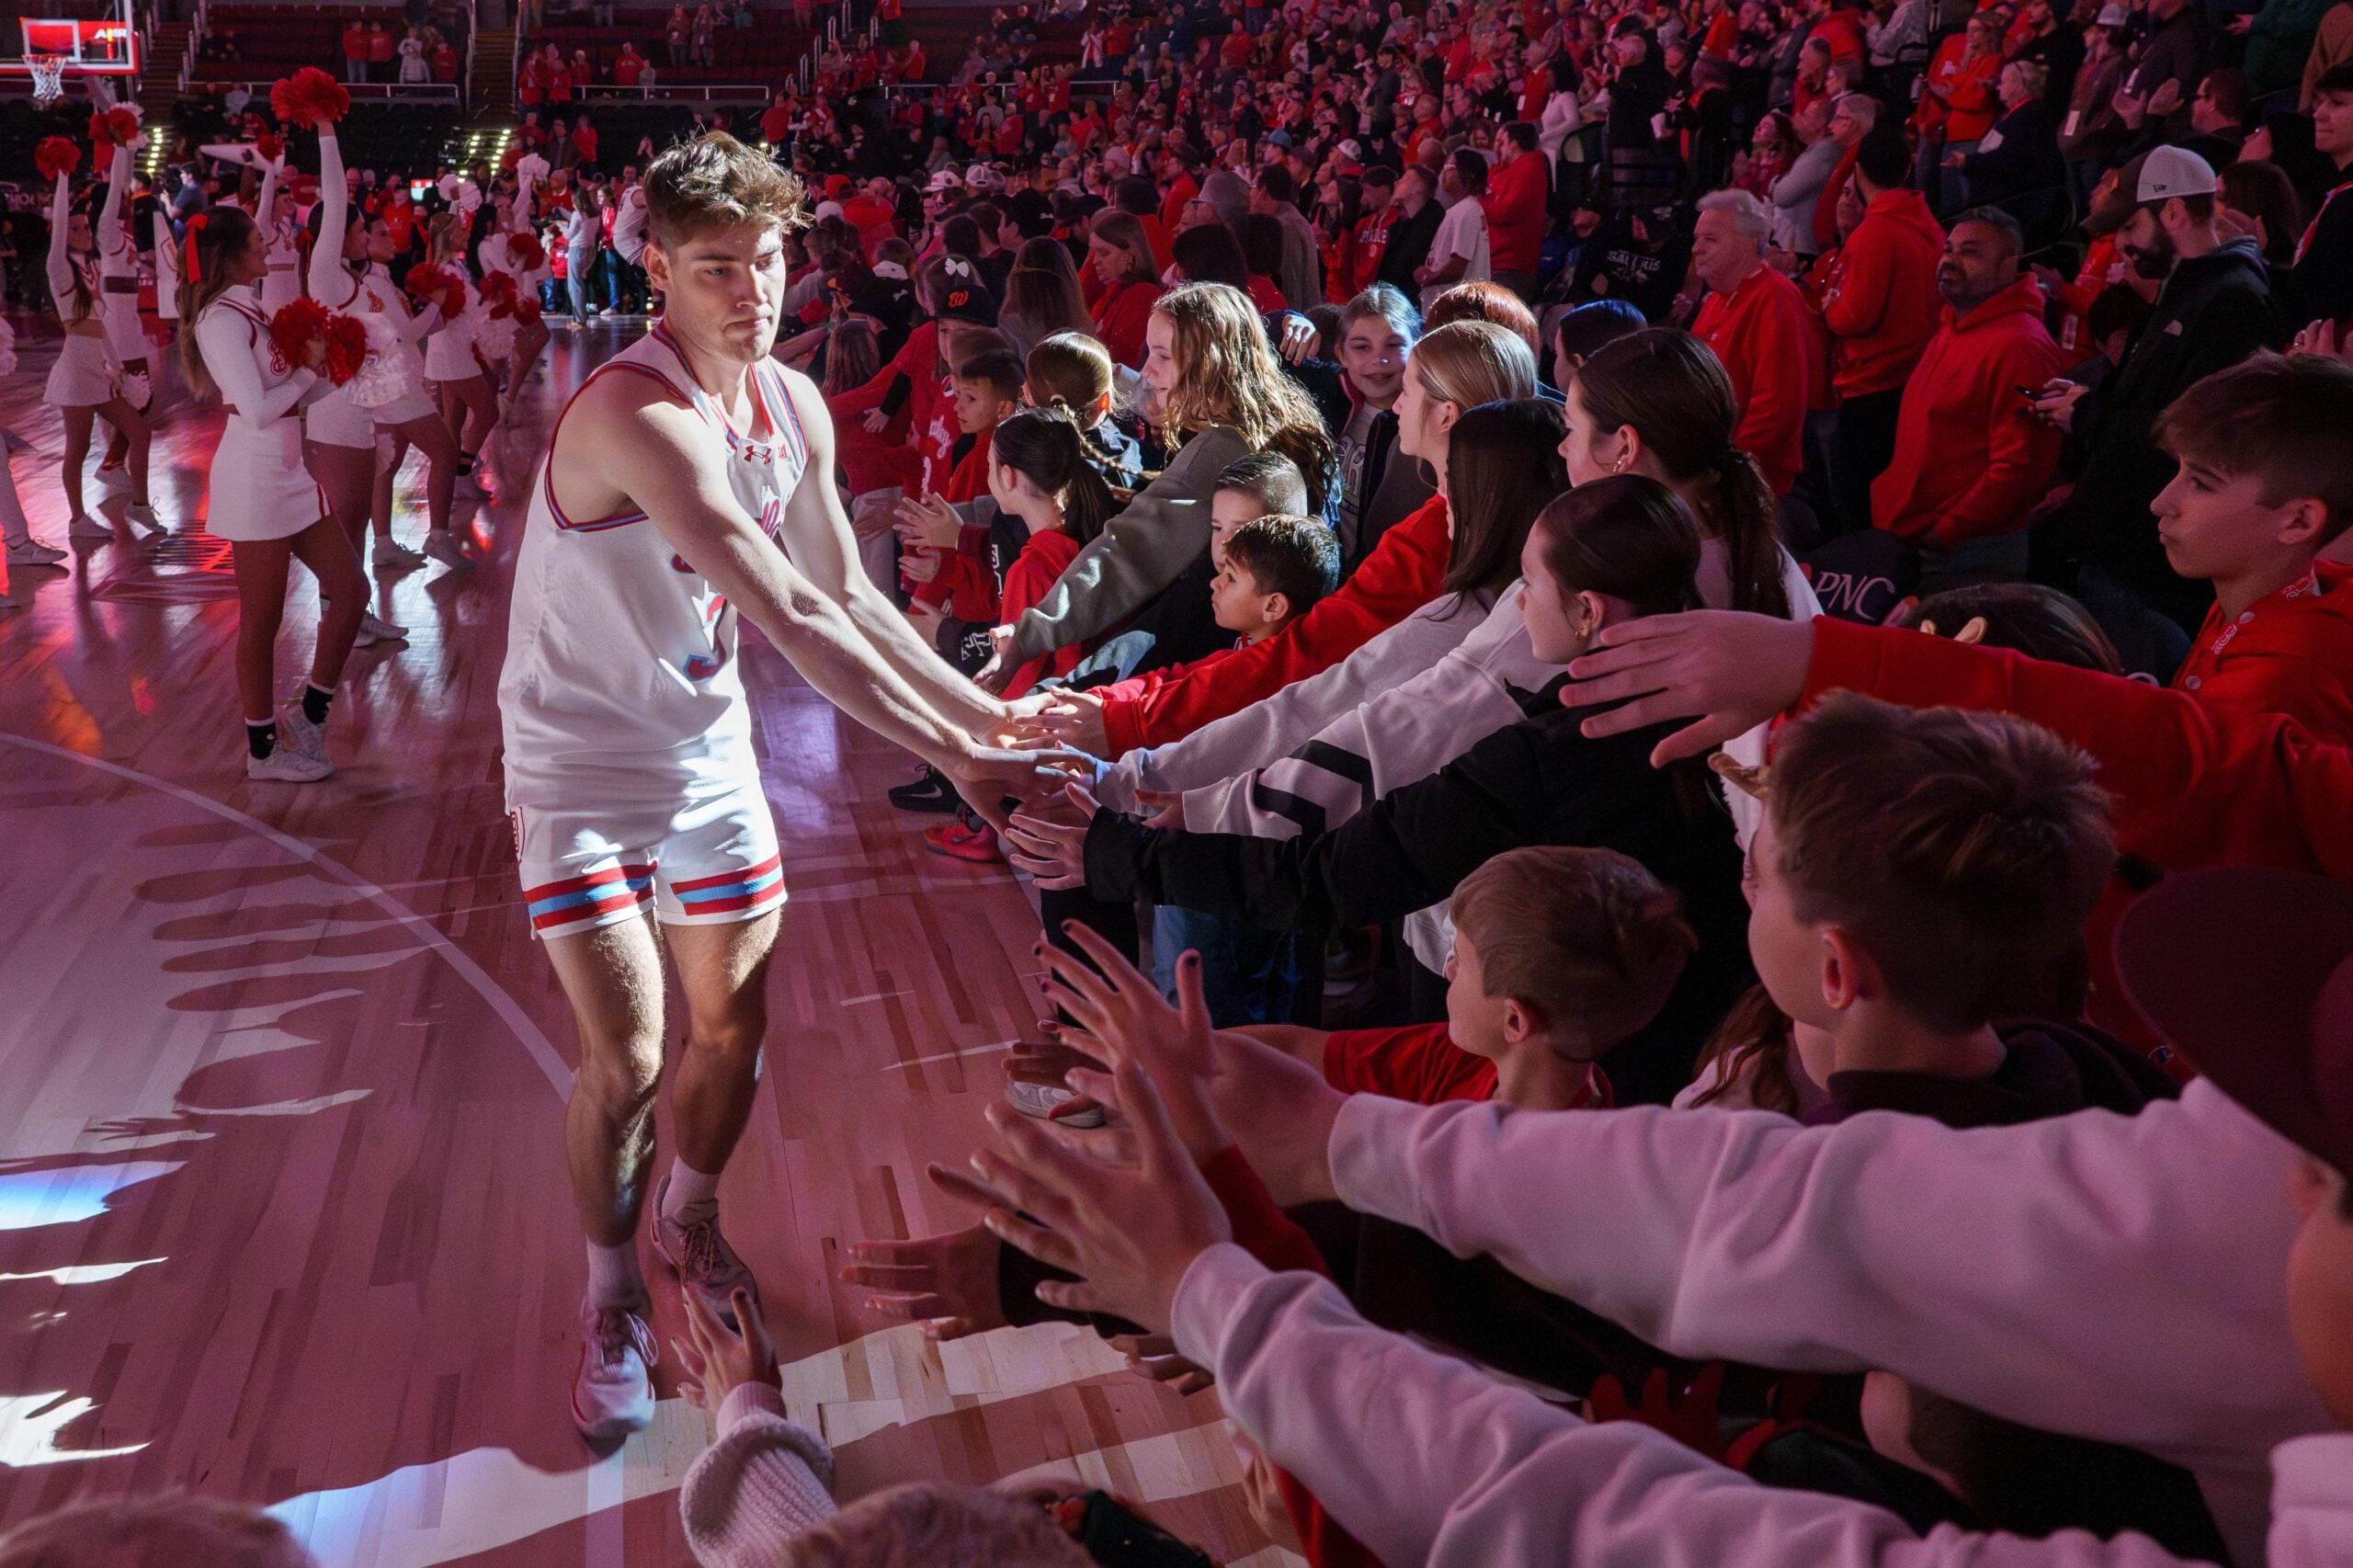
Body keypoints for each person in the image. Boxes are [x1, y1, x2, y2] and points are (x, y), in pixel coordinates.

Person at [494, 133, 1052, 1443]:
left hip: (700, 749)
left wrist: (986, 711)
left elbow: (850, 587)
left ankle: (693, 1212)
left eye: (767, 261)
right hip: (576, 763)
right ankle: (612, 1288)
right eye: (715, 269)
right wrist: (967, 755)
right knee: (626, 1057)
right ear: (656, 273)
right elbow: (792, 611)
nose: (750, 291)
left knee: (732, 1029)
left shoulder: (790, 405)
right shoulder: (634, 411)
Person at [981, 282, 1332, 686]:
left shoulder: (1221, 446)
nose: (1146, 370)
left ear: (1209, 363)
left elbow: (1130, 550)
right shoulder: (1275, 419)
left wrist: (1030, 634)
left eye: (1162, 356)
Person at [2035, 145, 2283, 665]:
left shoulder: (2231, 298)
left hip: (2151, 566)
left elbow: (2205, 434)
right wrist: (2090, 402)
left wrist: (2089, 415)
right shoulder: (2189, 289)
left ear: (2172, 211)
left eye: (2129, 226)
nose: (2121, 243)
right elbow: (2157, 401)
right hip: (2129, 549)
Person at [182, 207, 365, 784]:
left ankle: (311, 715)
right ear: (232, 251)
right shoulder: (219, 320)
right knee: (262, 620)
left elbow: (288, 397)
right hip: (255, 479)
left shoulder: (252, 308)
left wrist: (345, 369)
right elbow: (259, 410)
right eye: (260, 239)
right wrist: (310, 373)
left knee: (352, 590)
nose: (270, 245)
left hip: (291, 471)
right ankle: (261, 751)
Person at [2151, 353, 2353, 738]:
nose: (2160, 503)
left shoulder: (2288, 684)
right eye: (2179, 470)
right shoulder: (2254, 599)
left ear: (2298, 520)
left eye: (2202, 483)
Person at [309, 120, 467, 583]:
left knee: (382, 472)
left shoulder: (364, 283)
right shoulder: (330, 279)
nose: (370, 236)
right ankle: (431, 537)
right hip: (360, 402)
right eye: (364, 230)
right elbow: (336, 200)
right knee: (437, 452)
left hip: (373, 398)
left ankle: (376, 557)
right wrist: (325, 130)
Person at [1871, 208, 2066, 581]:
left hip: (1968, 555)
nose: (1950, 260)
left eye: (1970, 252)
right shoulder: (1953, 324)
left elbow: (2020, 467)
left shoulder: (2019, 346)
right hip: (1918, 540)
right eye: (1949, 249)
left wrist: (1947, 533)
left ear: (2008, 266)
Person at [1820, 130, 1945, 532]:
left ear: (1857, 171)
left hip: (1873, 385)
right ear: (1908, 168)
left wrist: (1829, 307)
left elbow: (1856, 316)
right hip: (1912, 376)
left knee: (1859, 500)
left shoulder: (1875, 232)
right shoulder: (1926, 226)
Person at [46, 159, 157, 542]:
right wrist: (62, 177)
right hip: (76, 372)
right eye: (74, 229)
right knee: (76, 450)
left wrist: (120, 370)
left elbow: (101, 326)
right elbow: (59, 225)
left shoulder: (91, 266)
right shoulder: (59, 269)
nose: (82, 232)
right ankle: (78, 520)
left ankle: (140, 504)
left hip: (99, 370)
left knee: (140, 431)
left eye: (85, 227)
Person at [1688, 189, 1821, 496]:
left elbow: (1776, 409)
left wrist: (1726, 470)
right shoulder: (1717, 301)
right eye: (1697, 238)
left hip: (1749, 484)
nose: (1696, 249)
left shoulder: (1775, 298)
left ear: (1748, 243)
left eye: (1710, 239)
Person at [2285, 62, 2353, 333]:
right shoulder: (2336, 193)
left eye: (2337, 103)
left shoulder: (2348, 205)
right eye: (2319, 102)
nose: (2319, 114)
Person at [1416, 150, 1493, 312]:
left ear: (1468, 175)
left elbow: (1457, 266)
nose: (1445, 172)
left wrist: (1427, 277)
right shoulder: (1461, 209)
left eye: (1451, 167)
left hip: (1456, 309)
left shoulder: (1467, 210)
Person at [1483, 122, 1549, 301]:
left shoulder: (1529, 167)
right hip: (1498, 262)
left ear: (1514, 143)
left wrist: (1479, 207)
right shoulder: (1510, 169)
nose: (1497, 148)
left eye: (1502, 142)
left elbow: (1505, 210)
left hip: (1511, 265)